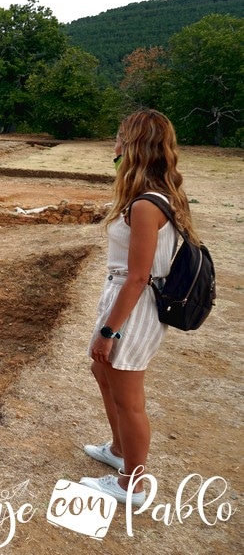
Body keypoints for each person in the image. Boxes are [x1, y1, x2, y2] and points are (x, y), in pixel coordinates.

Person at [79, 109, 200, 506]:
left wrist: (109, 330)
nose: (113, 146)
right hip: (123, 297)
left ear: (133, 146)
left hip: (133, 306)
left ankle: (133, 484)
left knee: (129, 399)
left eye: (119, 138)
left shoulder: (148, 205)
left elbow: (138, 276)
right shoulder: (147, 196)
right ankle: (117, 450)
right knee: (103, 371)